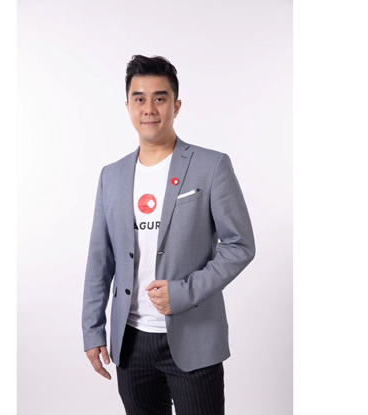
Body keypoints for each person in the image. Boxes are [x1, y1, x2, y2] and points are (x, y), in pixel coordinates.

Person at [82, 54, 255, 415]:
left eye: (160, 98)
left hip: (195, 337)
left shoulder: (211, 166)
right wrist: (93, 329)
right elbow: (101, 258)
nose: (149, 108)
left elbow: (239, 245)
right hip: (130, 341)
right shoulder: (111, 176)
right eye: (139, 98)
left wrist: (183, 292)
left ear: (176, 106)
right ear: (128, 106)